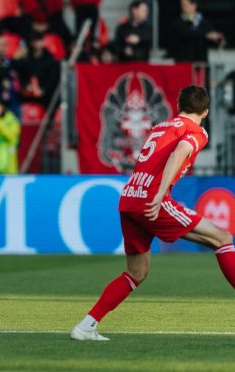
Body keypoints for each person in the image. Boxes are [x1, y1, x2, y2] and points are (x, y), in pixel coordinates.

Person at [70, 86, 235, 341]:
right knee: (222, 238)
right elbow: (181, 153)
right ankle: (86, 326)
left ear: (178, 105)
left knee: (136, 272)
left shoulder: (160, 127)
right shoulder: (196, 131)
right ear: (205, 112)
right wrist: (159, 196)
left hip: (129, 199)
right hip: (151, 200)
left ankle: (85, 326)